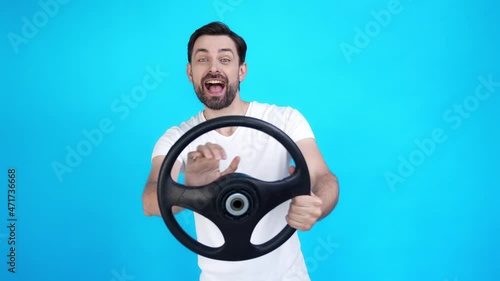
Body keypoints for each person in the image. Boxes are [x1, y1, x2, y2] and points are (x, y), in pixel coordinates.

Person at [142, 21, 339, 281]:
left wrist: (316, 205)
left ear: (241, 70)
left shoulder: (284, 119)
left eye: (225, 58)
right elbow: (149, 201)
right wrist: (191, 188)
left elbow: (325, 179)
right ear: (190, 72)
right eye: (203, 59)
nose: (214, 67)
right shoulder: (177, 138)